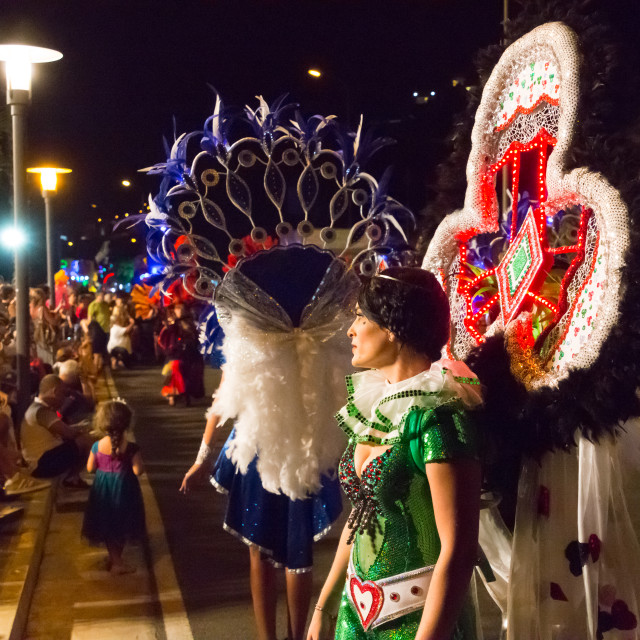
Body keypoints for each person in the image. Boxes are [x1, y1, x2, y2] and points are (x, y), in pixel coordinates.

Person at [307, 268, 483, 640]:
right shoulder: (377, 408)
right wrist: (324, 604)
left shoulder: (438, 420)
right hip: (353, 613)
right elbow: (362, 515)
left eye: (360, 316)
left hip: (418, 619)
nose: (351, 330)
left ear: (392, 327)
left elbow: (460, 549)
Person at [82, 399, 146, 574]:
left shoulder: (97, 446)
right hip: (124, 488)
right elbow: (138, 471)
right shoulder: (131, 448)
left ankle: (114, 558)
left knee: (107, 523)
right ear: (127, 422)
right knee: (122, 523)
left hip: (103, 488)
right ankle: (118, 563)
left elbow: (90, 468)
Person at [21, 374, 93, 488]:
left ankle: (72, 477)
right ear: (54, 392)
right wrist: (84, 430)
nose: (64, 399)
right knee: (85, 441)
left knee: (81, 439)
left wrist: (79, 427)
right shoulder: (41, 411)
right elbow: (68, 433)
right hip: (42, 463)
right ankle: (73, 477)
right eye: (63, 394)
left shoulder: (37, 408)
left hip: (40, 461)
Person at [87, 291, 110, 370]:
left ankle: (100, 370)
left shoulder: (105, 304)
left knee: (102, 352)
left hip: (106, 330)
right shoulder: (93, 305)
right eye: (101, 295)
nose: (102, 297)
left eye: (103, 295)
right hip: (97, 331)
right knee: (96, 353)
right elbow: (90, 319)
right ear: (97, 296)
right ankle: (94, 370)